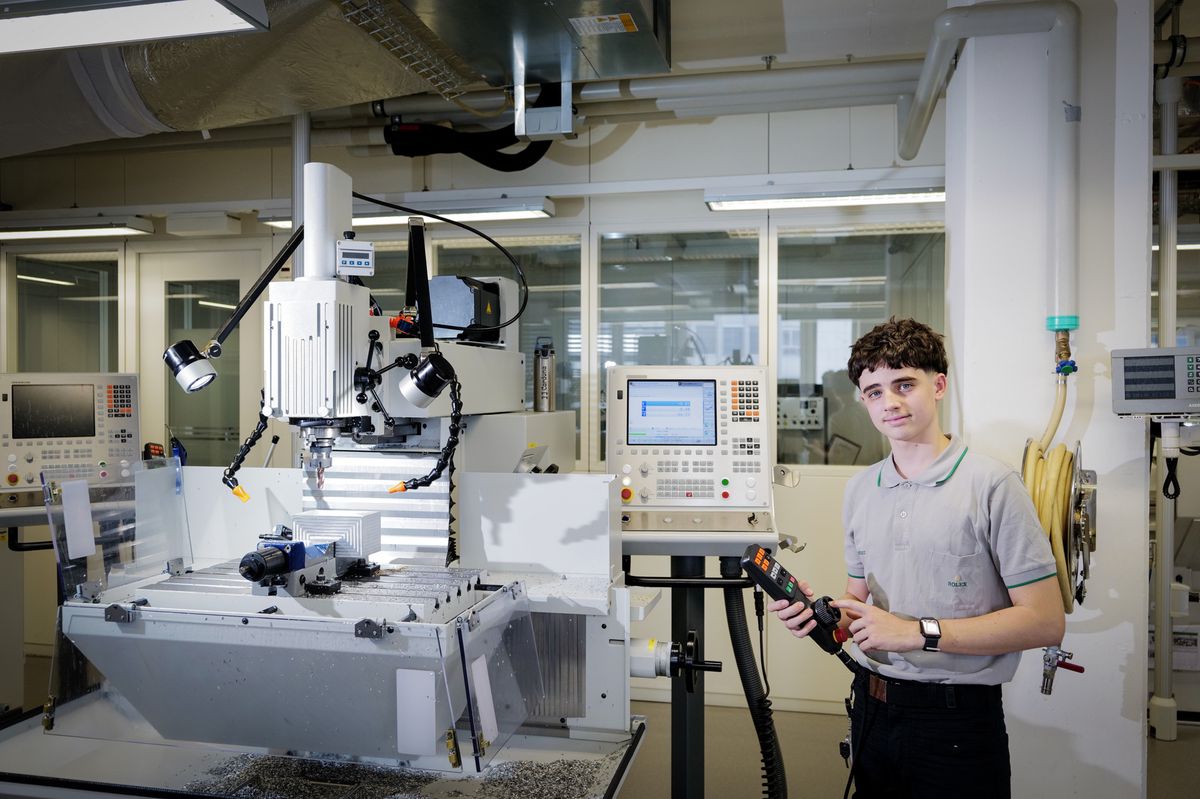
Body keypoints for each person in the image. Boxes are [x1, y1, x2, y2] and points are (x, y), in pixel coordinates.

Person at [770, 318, 1065, 798]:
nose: (890, 402)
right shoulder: (861, 489)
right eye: (874, 391)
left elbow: (1045, 621)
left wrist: (916, 633)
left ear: (939, 385)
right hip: (871, 707)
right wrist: (825, 615)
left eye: (904, 384)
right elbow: (858, 600)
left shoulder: (993, 485)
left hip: (956, 722)